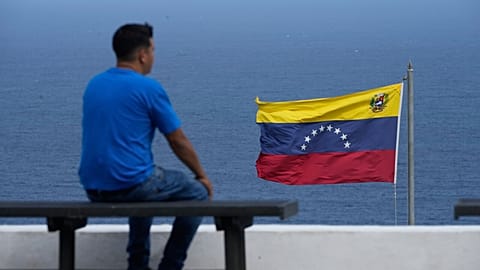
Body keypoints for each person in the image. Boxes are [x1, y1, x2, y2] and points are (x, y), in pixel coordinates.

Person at [78, 22, 213, 270]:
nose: (153, 56)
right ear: (143, 55)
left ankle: (137, 264)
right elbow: (177, 140)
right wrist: (202, 176)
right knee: (196, 193)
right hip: (130, 184)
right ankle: (171, 266)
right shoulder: (148, 88)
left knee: (144, 180)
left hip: (93, 187)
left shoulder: (94, 84)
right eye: (152, 50)